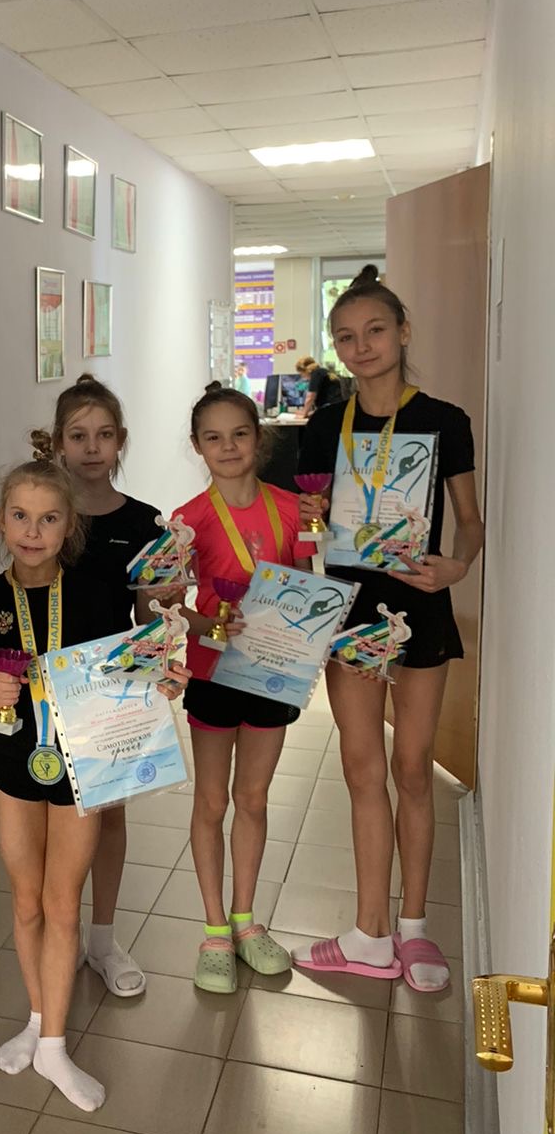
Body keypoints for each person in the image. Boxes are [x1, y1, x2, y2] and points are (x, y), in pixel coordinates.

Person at [294, 266, 483, 991]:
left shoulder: (444, 419)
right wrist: (309, 529)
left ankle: (415, 928)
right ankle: (370, 934)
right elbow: (309, 528)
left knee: (413, 767)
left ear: (403, 332)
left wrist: (457, 566)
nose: (361, 346)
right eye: (346, 337)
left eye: (375, 330)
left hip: (420, 609)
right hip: (349, 611)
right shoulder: (323, 427)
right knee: (362, 769)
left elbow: (469, 522)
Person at [0, 437, 116, 1110]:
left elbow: (122, 678)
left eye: (48, 518)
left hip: (79, 766)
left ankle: (54, 1047)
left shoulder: (98, 595)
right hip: (13, 767)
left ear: (69, 525)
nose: (32, 531)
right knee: (26, 902)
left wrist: (155, 682)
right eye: (20, 516)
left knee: (62, 903)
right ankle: (36, 1016)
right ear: (2, 520)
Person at [174, 384, 314, 994]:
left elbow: (305, 587)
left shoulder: (291, 509)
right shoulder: (187, 521)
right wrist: (207, 625)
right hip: (212, 671)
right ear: (197, 446)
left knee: (252, 799)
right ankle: (213, 930)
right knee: (211, 802)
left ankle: (245, 922)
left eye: (239, 434)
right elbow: (164, 606)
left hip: (271, 673)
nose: (228, 447)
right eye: (214, 437)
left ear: (259, 438)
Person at [50, 372, 160, 998]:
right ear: (59, 444)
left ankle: (102, 939)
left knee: (108, 818)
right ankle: (61, 939)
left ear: (120, 441)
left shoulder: (144, 522)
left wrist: (165, 599)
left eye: (104, 435)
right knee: (55, 822)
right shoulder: (46, 511)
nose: (92, 448)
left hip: (111, 689)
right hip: (48, 687)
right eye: (78, 435)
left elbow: (146, 616)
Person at [299, 355, 341, 420]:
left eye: (301, 373)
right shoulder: (323, 371)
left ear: (305, 370)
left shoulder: (316, 374)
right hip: (335, 408)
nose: (302, 376)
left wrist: (304, 413)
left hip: (329, 410)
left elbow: (310, 397)